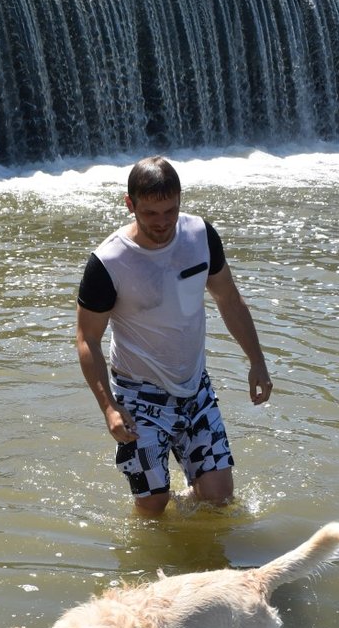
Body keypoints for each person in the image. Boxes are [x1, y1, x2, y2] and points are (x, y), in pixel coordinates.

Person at [76, 156, 272, 517]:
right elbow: (87, 339)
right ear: (130, 204)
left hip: (195, 387)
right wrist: (109, 408)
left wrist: (257, 361)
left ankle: (186, 493)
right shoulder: (108, 262)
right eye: (150, 213)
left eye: (170, 211)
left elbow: (228, 298)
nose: (162, 222)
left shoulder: (200, 236)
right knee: (152, 509)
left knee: (219, 498)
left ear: (180, 199)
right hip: (139, 397)